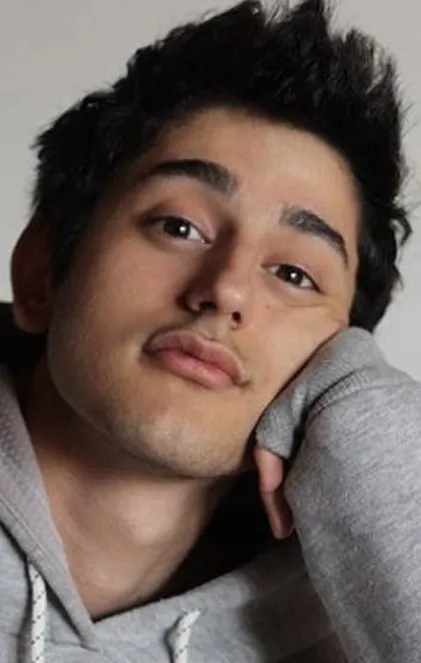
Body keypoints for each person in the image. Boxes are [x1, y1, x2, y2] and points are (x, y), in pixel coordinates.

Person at [0, 0, 420, 661]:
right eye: (179, 227)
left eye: (293, 273)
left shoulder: (341, 629)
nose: (226, 290)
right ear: (41, 272)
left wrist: (370, 417)